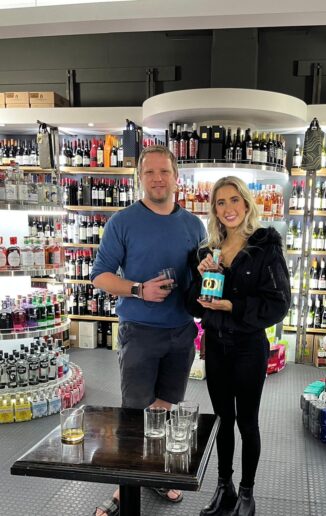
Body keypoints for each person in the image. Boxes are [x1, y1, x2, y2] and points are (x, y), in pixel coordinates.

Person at [91, 145, 206, 516]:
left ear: (176, 177)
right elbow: (100, 276)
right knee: (134, 413)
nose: (158, 179)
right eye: (150, 172)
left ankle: (152, 473)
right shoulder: (122, 222)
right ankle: (123, 490)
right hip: (139, 332)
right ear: (139, 177)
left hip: (182, 331)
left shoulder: (194, 225)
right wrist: (139, 289)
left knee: (164, 408)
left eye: (164, 171)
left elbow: (201, 276)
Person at [186, 176, 290, 516]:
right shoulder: (206, 252)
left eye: (234, 200)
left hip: (248, 348)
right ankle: (224, 487)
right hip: (216, 347)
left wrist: (233, 306)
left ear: (246, 204)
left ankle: (247, 493)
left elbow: (278, 303)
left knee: (247, 422)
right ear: (214, 210)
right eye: (221, 202)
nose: (228, 208)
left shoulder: (265, 247)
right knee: (222, 420)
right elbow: (193, 304)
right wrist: (200, 278)